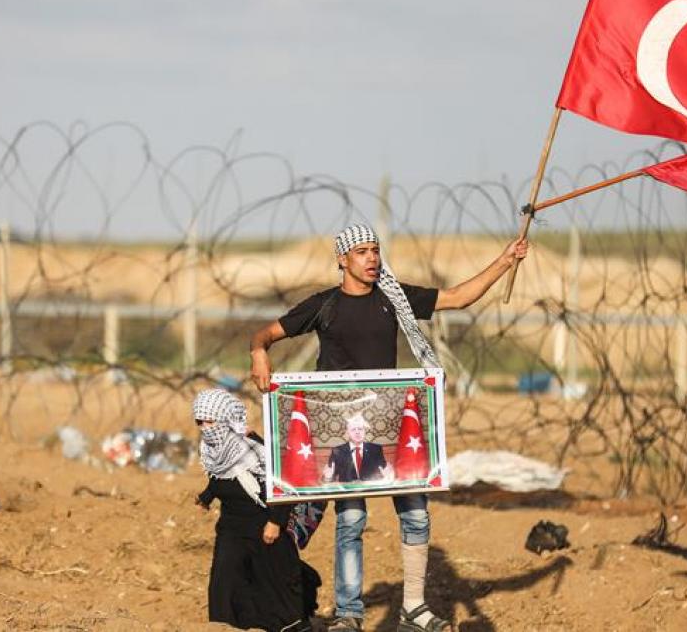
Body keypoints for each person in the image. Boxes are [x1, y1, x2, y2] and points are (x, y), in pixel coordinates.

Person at [250, 223, 529, 632]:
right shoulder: (323, 305)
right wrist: (259, 352)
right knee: (351, 521)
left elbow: (457, 298)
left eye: (375, 250)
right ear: (342, 259)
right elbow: (266, 334)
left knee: (415, 514)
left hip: (393, 426)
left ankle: (413, 610)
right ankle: (349, 614)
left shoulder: (393, 298)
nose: (371, 258)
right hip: (342, 432)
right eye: (362, 251)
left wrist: (505, 261)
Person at [193, 388, 319, 632]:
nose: (204, 427)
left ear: (226, 418)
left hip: (264, 529)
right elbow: (221, 478)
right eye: (199, 421)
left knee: (274, 584)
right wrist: (206, 497)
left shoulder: (256, 450)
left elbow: (281, 486)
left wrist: (275, 521)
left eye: (210, 420)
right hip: (231, 528)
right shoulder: (212, 449)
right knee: (225, 582)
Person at [324, 413, 391, 484]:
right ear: (347, 433)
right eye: (353, 429)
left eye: (360, 429)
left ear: (365, 431)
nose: (357, 432)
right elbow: (329, 480)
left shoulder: (376, 449)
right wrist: (328, 477)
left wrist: (388, 475)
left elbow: (386, 474)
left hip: (370, 491)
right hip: (347, 492)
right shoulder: (337, 451)